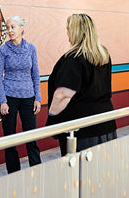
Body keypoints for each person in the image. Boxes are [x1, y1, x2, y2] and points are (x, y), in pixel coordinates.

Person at [46, 13, 117, 155]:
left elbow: (62, 95)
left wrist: (52, 117)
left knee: (79, 173)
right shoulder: (103, 55)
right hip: (106, 122)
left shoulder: (73, 59)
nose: (67, 33)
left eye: (68, 29)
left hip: (82, 129)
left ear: (75, 32)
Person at [0, 16, 42, 173]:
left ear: (22, 28)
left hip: (29, 97)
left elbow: (35, 73)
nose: (10, 31)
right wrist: (3, 101)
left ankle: (36, 171)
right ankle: (13, 174)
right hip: (9, 98)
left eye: (13, 27)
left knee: (31, 138)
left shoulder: (31, 48)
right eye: (7, 28)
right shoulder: (3, 50)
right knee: (10, 139)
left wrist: (38, 98)